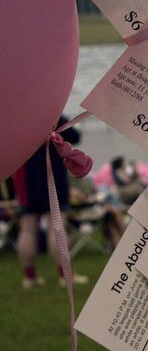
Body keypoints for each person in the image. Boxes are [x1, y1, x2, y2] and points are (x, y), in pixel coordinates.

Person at [12, 115, 88, 289]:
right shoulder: (51, 111)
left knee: (28, 227)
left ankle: (29, 277)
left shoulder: (17, 114)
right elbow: (75, 136)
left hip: (26, 176)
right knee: (57, 227)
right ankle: (64, 276)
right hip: (52, 174)